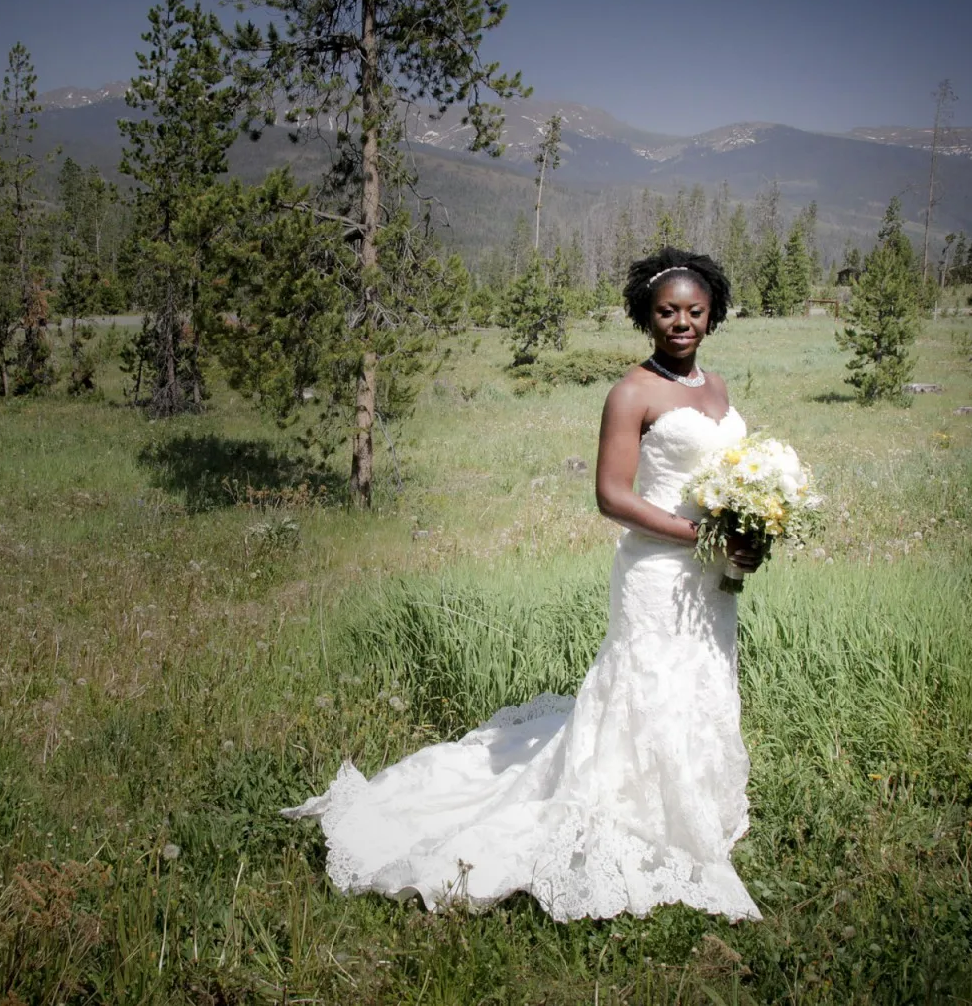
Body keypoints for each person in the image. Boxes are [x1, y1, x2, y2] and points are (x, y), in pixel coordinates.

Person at [284, 247, 764, 922]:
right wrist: (700, 537)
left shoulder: (716, 387)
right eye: (667, 312)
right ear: (644, 317)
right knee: (648, 680)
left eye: (694, 311)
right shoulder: (631, 392)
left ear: (712, 314)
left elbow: (729, 473)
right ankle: (629, 813)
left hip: (711, 574)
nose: (681, 323)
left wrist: (749, 528)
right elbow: (611, 497)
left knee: (701, 677)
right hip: (658, 568)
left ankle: (691, 805)